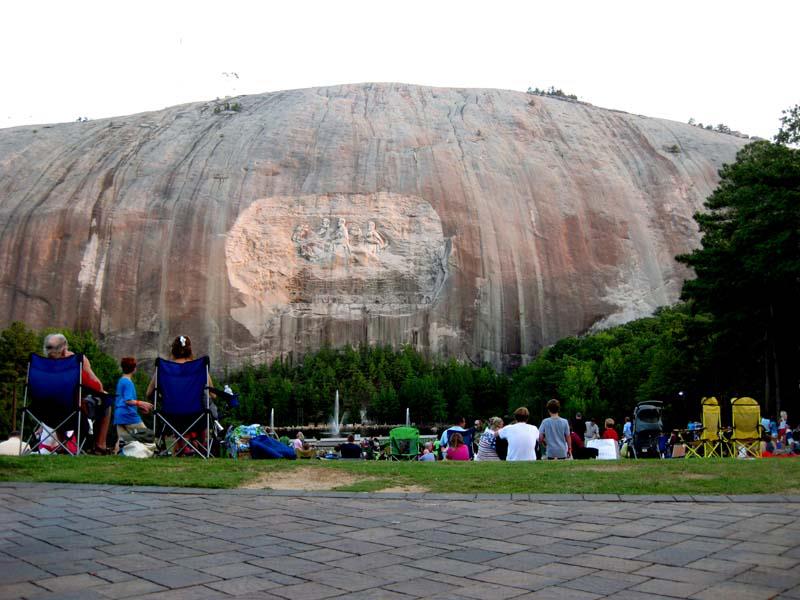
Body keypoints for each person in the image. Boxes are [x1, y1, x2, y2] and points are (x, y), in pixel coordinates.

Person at [43, 333, 111, 454]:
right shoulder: (77, 361)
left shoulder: (41, 365)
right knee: (105, 398)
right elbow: (98, 387)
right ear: (64, 348)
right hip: (76, 412)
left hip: (48, 415)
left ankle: (62, 443)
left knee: (55, 401)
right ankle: (100, 445)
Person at [146, 335, 214, 456]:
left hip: (171, 416)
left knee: (178, 410)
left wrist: (163, 397)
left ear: (173, 350)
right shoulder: (199, 368)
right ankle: (202, 446)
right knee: (206, 404)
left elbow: (149, 393)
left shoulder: (163, 368)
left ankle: (182, 447)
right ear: (190, 350)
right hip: (196, 416)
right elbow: (213, 395)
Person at [114, 357, 153, 451]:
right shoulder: (128, 383)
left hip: (119, 415)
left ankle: (117, 454)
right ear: (134, 369)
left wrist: (139, 407)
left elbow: (122, 401)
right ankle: (150, 453)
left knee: (122, 440)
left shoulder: (121, 381)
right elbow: (128, 401)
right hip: (128, 415)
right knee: (148, 437)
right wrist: (142, 403)